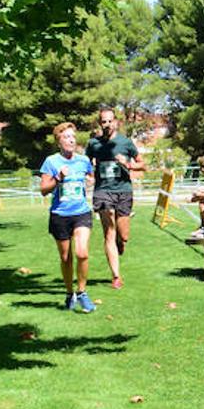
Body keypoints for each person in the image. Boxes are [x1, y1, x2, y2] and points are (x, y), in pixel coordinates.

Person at [39, 122, 96, 312]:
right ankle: (69, 292)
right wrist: (58, 179)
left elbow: (90, 176)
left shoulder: (83, 160)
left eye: (73, 136)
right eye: (66, 137)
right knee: (66, 258)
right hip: (60, 215)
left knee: (82, 253)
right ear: (58, 141)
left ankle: (82, 292)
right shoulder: (51, 161)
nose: (71, 140)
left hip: (81, 212)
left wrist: (90, 181)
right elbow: (43, 190)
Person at [85, 107, 144, 289]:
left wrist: (127, 164)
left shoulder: (125, 143)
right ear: (99, 123)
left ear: (116, 122)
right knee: (109, 231)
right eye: (104, 121)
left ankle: (121, 241)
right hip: (102, 191)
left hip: (124, 191)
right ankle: (116, 276)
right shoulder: (93, 144)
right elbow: (85, 163)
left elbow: (143, 165)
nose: (107, 124)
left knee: (122, 234)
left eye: (110, 121)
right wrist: (88, 175)